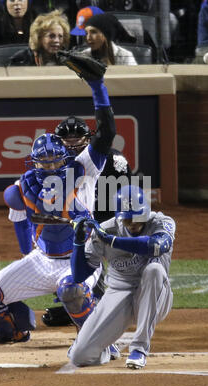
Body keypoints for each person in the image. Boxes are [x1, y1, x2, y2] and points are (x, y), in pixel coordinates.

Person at [0, 59, 117, 344]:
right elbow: (17, 209)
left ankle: (99, 339)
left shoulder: (82, 167)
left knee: (72, 294)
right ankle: (10, 331)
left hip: (82, 254)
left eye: (55, 161)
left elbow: (106, 133)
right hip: (43, 258)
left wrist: (98, 86)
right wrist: (27, 253)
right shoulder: (27, 182)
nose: (51, 166)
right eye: (44, 161)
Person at [68, 185, 175, 369]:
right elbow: (79, 275)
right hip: (119, 294)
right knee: (79, 356)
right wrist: (78, 242)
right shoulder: (106, 229)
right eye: (127, 219)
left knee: (154, 270)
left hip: (156, 298)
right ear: (119, 217)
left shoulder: (162, 222)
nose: (133, 223)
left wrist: (112, 241)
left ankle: (139, 348)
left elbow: (155, 246)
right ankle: (107, 349)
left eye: (138, 217)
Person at [41, 115, 132, 327]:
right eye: (66, 139)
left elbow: (128, 196)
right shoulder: (55, 163)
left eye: (77, 138)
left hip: (110, 220)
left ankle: (116, 305)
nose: (72, 143)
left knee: (125, 266)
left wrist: (118, 227)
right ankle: (78, 306)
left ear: (88, 137)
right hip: (78, 223)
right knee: (59, 255)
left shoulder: (113, 159)